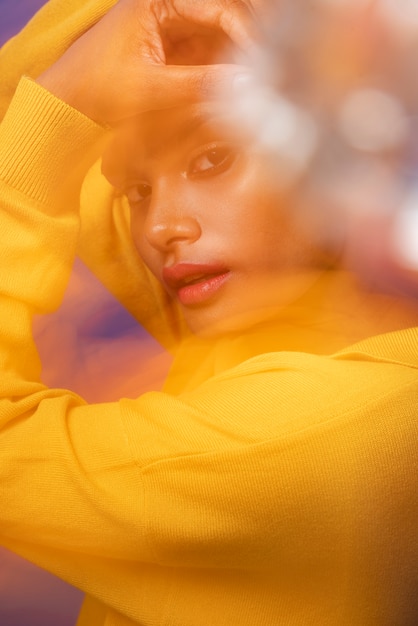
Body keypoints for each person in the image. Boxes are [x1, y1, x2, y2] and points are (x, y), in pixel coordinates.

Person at [0, 1, 418, 625]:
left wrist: (75, 95)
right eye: (136, 192)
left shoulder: (325, 435)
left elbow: (48, 116)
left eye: (212, 159)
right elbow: (28, 105)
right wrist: (169, 9)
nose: (161, 227)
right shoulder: (274, 308)